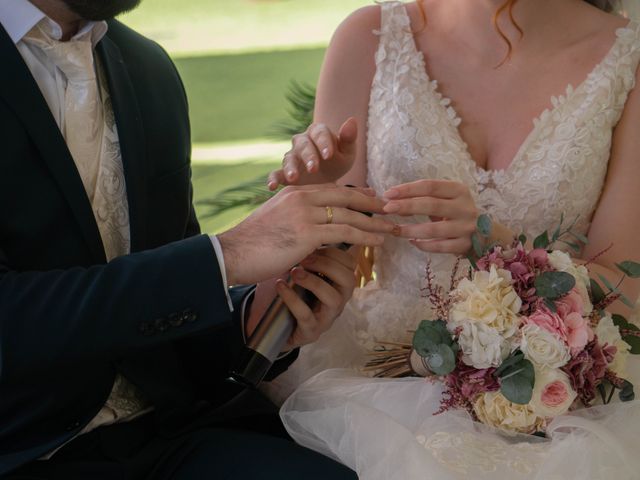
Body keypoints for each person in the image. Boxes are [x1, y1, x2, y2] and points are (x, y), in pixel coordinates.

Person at [0, 0, 396, 478]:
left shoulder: (148, 71)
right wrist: (227, 254)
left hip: (169, 438)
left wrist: (260, 314)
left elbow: (169, 327)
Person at [266, 0, 640, 478]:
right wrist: (322, 191)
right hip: (374, 376)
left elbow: (622, 294)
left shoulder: (626, 55)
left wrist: (497, 243)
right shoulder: (370, 36)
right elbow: (332, 259)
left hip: (554, 395)